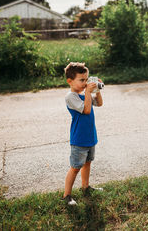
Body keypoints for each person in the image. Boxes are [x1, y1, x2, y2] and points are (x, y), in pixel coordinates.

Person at [62, 62, 103, 205]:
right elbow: (86, 110)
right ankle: (67, 195)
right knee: (75, 167)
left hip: (90, 136)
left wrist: (97, 90)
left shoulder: (83, 95)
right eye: (82, 80)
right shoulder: (71, 97)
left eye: (87, 80)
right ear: (70, 81)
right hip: (79, 139)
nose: (85, 83)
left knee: (87, 163)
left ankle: (85, 186)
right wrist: (87, 92)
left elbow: (99, 104)